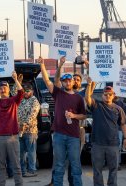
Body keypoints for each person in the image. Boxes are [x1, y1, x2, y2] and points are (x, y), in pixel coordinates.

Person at [38, 57, 86, 186]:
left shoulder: (78, 98)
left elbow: (84, 116)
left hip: (73, 136)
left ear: (72, 82)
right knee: (58, 166)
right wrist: (43, 65)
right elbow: (47, 80)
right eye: (64, 81)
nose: (67, 82)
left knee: (75, 166)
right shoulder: (58, 93)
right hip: (59, 135)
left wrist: (74, 116)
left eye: (69, 80)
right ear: (63, 83)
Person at [85, 78, 126, 186]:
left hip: (113, 144)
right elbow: (87, 98)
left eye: (110, 94)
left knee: (113, 169)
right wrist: (89, 84)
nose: (107, 96)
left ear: (113, 95)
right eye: (105, 94)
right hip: (97, 144)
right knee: (97, 170)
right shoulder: (96, 105)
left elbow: (123, 124)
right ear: (102, 95)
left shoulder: (118, 109)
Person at [17, 83, 40, 177]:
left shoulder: (34, 101)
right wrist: (17, 81)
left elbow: (32, 116)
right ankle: (22, 170)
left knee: (31, 152)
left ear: (32, 91)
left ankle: (32, 170)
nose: (25, 93)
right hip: (19, 131)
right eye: (24, 91)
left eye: (27, 91)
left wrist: (23, 125)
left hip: (30, 131)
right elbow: (14, 92)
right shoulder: (21, 100)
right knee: (20, 152)